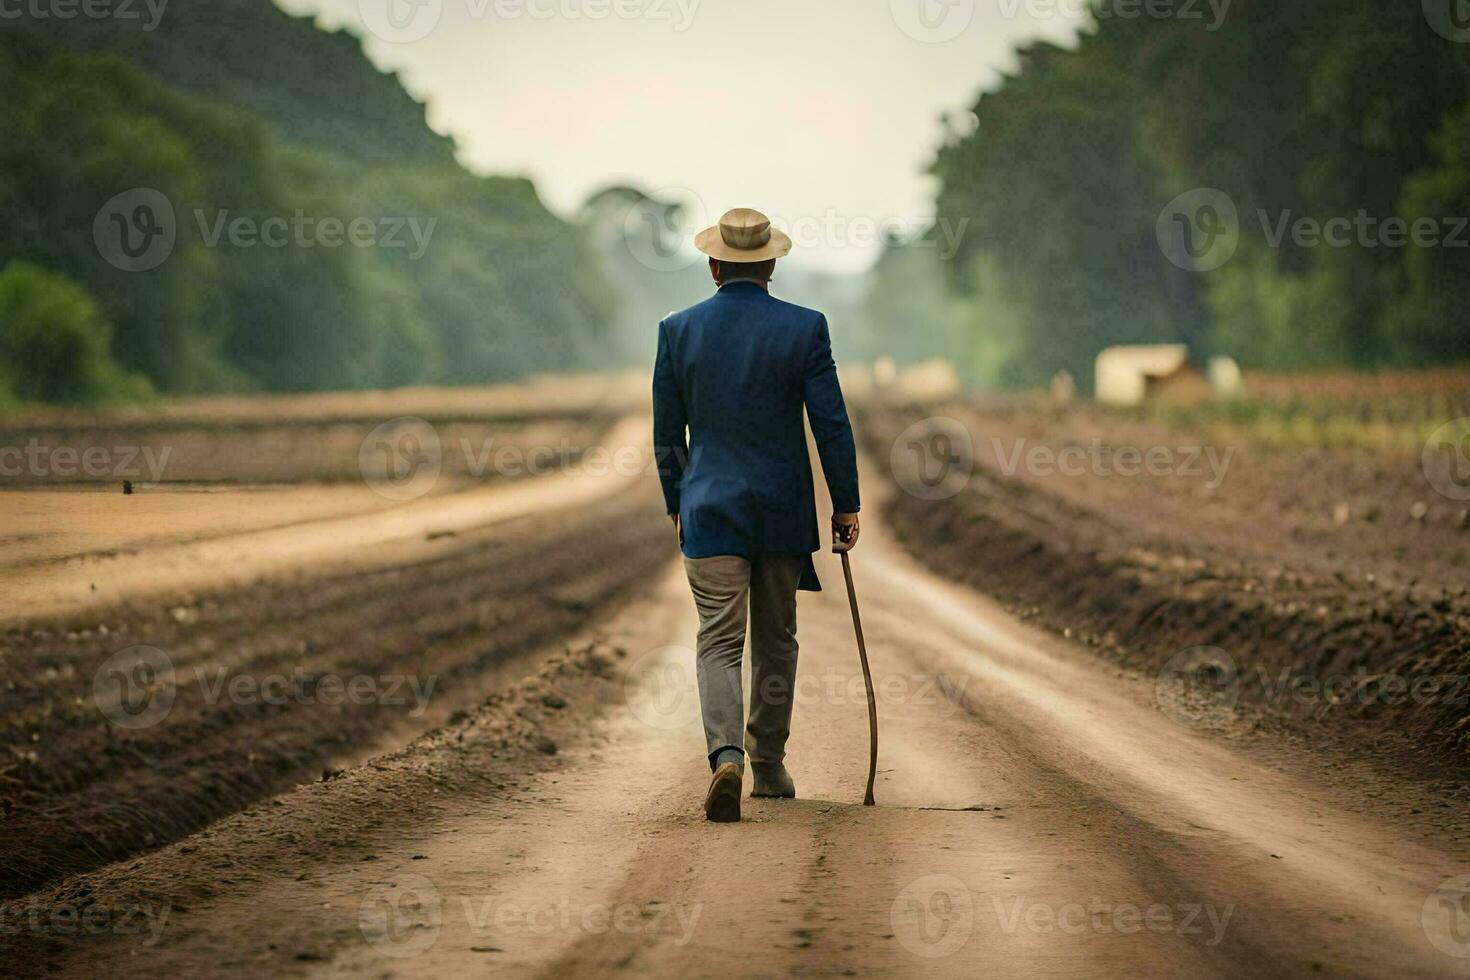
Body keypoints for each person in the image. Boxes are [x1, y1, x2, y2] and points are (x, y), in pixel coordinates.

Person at [652, 206, 861, 823]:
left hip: (709, 509)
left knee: (719, 640)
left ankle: (727, 756)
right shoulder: (806, 328)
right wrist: (845, 502)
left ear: (714, 265)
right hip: (780, 512)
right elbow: (831, 423)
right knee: (777, 639)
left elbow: (668, 437)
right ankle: (769, 764)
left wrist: (676, 504)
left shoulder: (677, 330)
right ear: (770, 264)